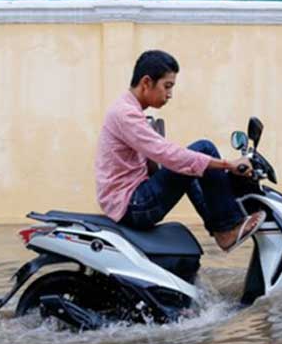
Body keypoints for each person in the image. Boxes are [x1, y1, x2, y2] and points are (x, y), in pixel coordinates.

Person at [95, 50, 266, 252]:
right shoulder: (125, 114)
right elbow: (167, 153)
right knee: (204, 148)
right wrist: (228, 164)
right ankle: (226, 228)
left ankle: (221, 229)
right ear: (147, 82)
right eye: (167, 86)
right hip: (133, 205)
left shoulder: (129, 111)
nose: (170, 95)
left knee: (190, 167)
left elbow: (166, 157)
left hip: (133, 200)